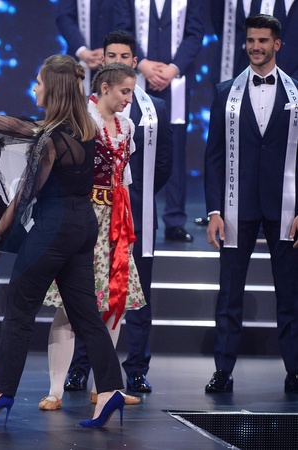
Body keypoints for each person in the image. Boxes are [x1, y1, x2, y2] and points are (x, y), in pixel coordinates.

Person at [0, 54, 126, 427]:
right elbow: (23, 125)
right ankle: (111, 389)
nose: (34, 87)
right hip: (83, 227)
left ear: (53, 90)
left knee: (19, 311)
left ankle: (0, 394)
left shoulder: (49, 141)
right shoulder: (83, 128)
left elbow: (24, 196)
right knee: (85, 314)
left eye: (39, 82)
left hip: (54, 230)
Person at [61, 30, 174, 399]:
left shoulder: (151, 110)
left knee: (129, 292)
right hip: (90, 212)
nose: (118, 61)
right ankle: (79, 369)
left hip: (131, 210)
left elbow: (164, 163)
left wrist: (136, 197)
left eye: (125, 56)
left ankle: (134, 371)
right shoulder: (84, 112)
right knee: (86, 292)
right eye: (112, 55)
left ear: (134, 61)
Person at [39, 62, 149, 410]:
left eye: (131, 92)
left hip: (115, 219)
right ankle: (55, 389)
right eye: (124, 91)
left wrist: (125, 221)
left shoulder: (127, 126)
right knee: (70, 306)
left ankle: (106, 385)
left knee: (115, 302)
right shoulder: (82, 121)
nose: (129, 99)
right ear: (104, 88)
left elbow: (123, 177)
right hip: (84, 216)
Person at [203, 14, 298, 394]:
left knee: (290, 294)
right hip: (235, 206)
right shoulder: (225, 92)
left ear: (277, 44)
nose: (255, 47)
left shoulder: (296, 94)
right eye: (251, 40)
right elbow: (213, 155)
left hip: (285, 209)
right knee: (229, 294)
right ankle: (222, 370)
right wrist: (214, 211)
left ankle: (295, 370)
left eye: (263, 40)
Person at [114, 0, 205, 243]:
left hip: (176, 81)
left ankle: (174, 220)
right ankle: (128, 213)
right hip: (135, 78)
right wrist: (142, 63)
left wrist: (174, 68)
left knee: (173, 151)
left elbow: (195, 32)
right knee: (130, 147)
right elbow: (123, 27)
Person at [56, 0, 119, 94]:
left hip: (117, 65)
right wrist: (82, 51)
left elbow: (126, 21)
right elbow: (64, 17)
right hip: (78, 62)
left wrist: (112, 50)